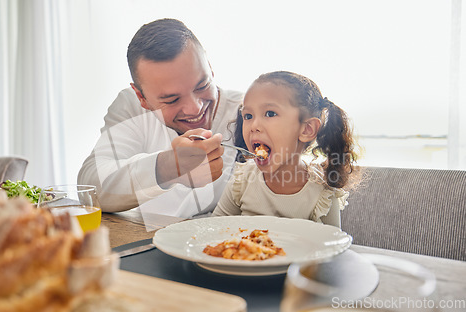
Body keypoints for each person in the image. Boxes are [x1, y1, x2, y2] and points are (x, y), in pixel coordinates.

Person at [78, 19, 243, 219]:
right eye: (172, 100)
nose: (195, 108)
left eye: (202, 86)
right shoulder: (131, 107)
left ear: (209, 67)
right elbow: (90, 190)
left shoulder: (249, 111)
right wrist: (168, 167)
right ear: (142, 98)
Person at [212, 71, 359, 227]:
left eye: (270, 113)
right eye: (248, 116)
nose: (253, 126)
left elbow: (332, 246)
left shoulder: (323, 193)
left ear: (306, 129)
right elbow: (214, 229)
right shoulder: (241, 180)